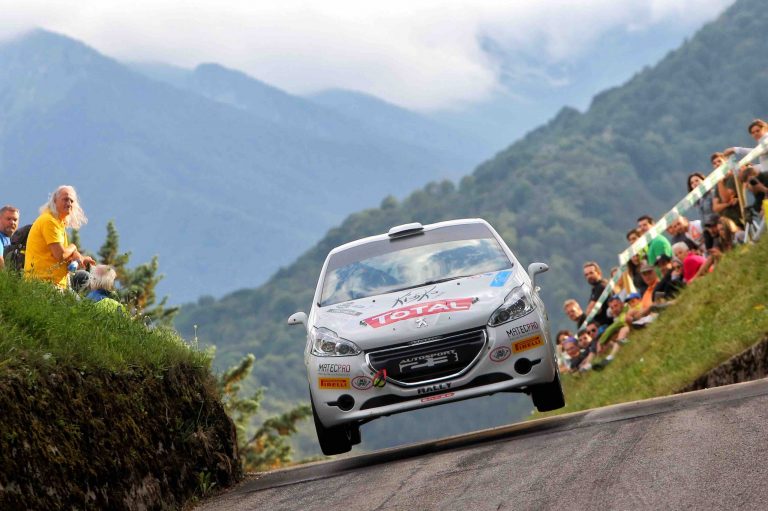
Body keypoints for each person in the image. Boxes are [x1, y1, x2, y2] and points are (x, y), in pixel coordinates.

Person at [25, 185, 95, 288]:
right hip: (44, 283)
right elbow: (60, 255)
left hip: (52, 282)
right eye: (65, 199)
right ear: (55, 201)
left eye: (72, 201)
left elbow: (63, 256)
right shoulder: (49, 221)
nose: (69, 203)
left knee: (84, 279)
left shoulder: (58, 222)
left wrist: (80, 258)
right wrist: (73, 247)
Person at [710, 152, 743, 229]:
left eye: (719, 161)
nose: (717, 164)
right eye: (714, 163)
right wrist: (728, 204)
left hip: (738, 220)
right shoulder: (718, 184)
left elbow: (726, 198)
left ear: (726, 162)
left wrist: (719, 181)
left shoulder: (732, 177)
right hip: (726, 223)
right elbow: (715, 208)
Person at [582, 261, 611, 327]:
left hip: (606, 324)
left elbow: (590, 310)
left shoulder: (601, 286)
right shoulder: (595, 288)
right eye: (586, 275)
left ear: (599, 273)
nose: (589, 276)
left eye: (591, 273)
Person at [0, 205, 20, 269]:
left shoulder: (15, 239)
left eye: (15, 220)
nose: (12, 222)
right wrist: (7, 275)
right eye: (8, 219)